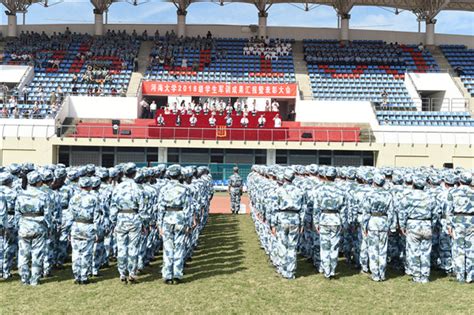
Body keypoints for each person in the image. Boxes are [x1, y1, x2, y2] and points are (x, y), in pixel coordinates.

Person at [110, 163, 147, 284]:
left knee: (121, 247)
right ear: (134, 173)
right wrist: (144, 223)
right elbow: (143, 208)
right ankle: (131, 272)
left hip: (121, 217)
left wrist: (113, 220)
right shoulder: (138, 188)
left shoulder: (117, 188)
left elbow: (113, 206)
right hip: (134, 217)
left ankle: (122, 273)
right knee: (133, 247)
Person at [15, 171, 52, 286]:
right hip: (39, 226)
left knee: (23, 254)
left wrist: (20, 224)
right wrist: (48, 228)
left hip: (24, 226)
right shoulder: (44, 195)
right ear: (39, 182)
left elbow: (17, 213)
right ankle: (34, 279)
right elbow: (48, 214)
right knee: (37, 254)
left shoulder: (21, 195)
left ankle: (24, 278)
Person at [157, 165, 193, 284]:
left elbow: (160, 207)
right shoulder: (185, 189)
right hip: (180, 219)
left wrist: (159, 223)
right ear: (179, 175)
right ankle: (177, 274)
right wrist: (188, 223)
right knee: (179, 247)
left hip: (167, 218)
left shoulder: (163, 189)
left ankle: (167, 275)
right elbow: (188, 207)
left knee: (167, 248)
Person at [400, 175, 437, 283]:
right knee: (426, 252)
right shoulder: (430, 197)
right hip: (426, 224)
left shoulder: (408, 196)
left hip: (413, 225)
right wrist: (432, 226)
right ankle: (424, 276)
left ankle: (416, 276)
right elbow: (435, 214)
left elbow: (403, 213)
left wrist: (402, 226)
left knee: (413, 252)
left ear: (413, 184)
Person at [312, 167, 347, 279]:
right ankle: (332, 269)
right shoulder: (341, 190)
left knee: (325, 246)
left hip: (324, 219)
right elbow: (344, 209)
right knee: (334, 246)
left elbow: (316, 208)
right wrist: (343, 223)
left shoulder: (320, 189)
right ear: (335, 176)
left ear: (326, 176)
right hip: (336, 219)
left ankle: (326, 270)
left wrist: (316, 222)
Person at [270, 169, 304, 279]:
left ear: (284, 178)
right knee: (292, 247)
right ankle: (290, 271)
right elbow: (303, 209)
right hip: (295, 219)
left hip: (282, 219)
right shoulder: (299, 191)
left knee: (282, 244)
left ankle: (282, 268)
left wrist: (273, 224)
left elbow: (274, 208)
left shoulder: (278, 190)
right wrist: (302, 224)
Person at [362, 173, 396, 281]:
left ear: (374, 182)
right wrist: (391, 226)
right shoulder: (388, 195)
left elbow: (366, 212)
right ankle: (382, 273)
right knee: (383, 250)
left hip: (373, 221)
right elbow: (391, 212)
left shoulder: (369, 194)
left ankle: (375, 274)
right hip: (384, 222)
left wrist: (364, 226)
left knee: (373, 250)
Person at [67, 177, 100, 285]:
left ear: (80, 186)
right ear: (90, 186)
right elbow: (97, 217)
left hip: (76, 226)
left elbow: (70, 215)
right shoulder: (94, 198)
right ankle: (84, 276)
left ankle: (77, 275)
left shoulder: (73, 198)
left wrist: (68, 230)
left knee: (76, 252)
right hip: (88, 226)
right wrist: (97, 231)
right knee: (86, 253)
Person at [445, 172, 473, 283]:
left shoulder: (452, 192)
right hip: (472, 221)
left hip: (458, 221)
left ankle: (460, 275)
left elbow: (449, 210)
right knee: (471, 250)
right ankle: (470, 275)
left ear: (460, 180)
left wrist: (449, 225)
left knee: (459, 249)